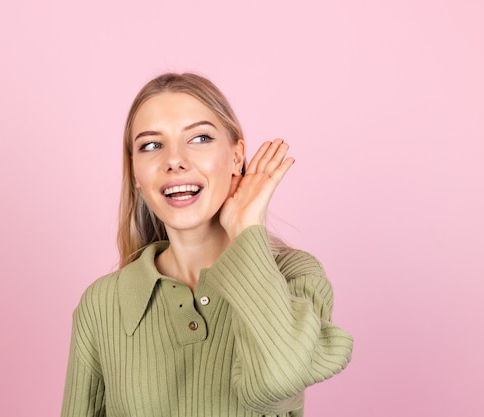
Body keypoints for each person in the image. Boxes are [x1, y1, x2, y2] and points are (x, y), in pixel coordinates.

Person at [61, 73, 353, 417]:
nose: (174, 160)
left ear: (235, 156)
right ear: (136, 175)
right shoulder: (102, 305)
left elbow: (277, 383)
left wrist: (246, 229)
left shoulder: (294, 275)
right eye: (151, 145)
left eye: (199, 138)